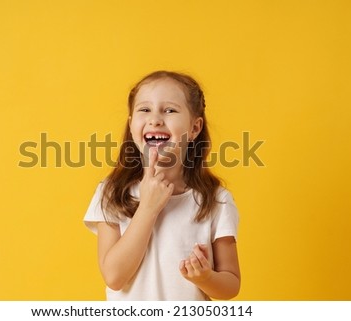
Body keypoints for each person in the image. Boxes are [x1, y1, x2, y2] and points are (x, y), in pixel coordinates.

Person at [84, 70, 240, 300]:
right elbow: (114, 276)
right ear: (131, 124)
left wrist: (206, 278)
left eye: (170, 110)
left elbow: (231, 285)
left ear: (195, 128)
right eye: (144, 109)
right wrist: (148, 206)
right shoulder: (111, 192)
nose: (155, 119)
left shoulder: (215, 199)